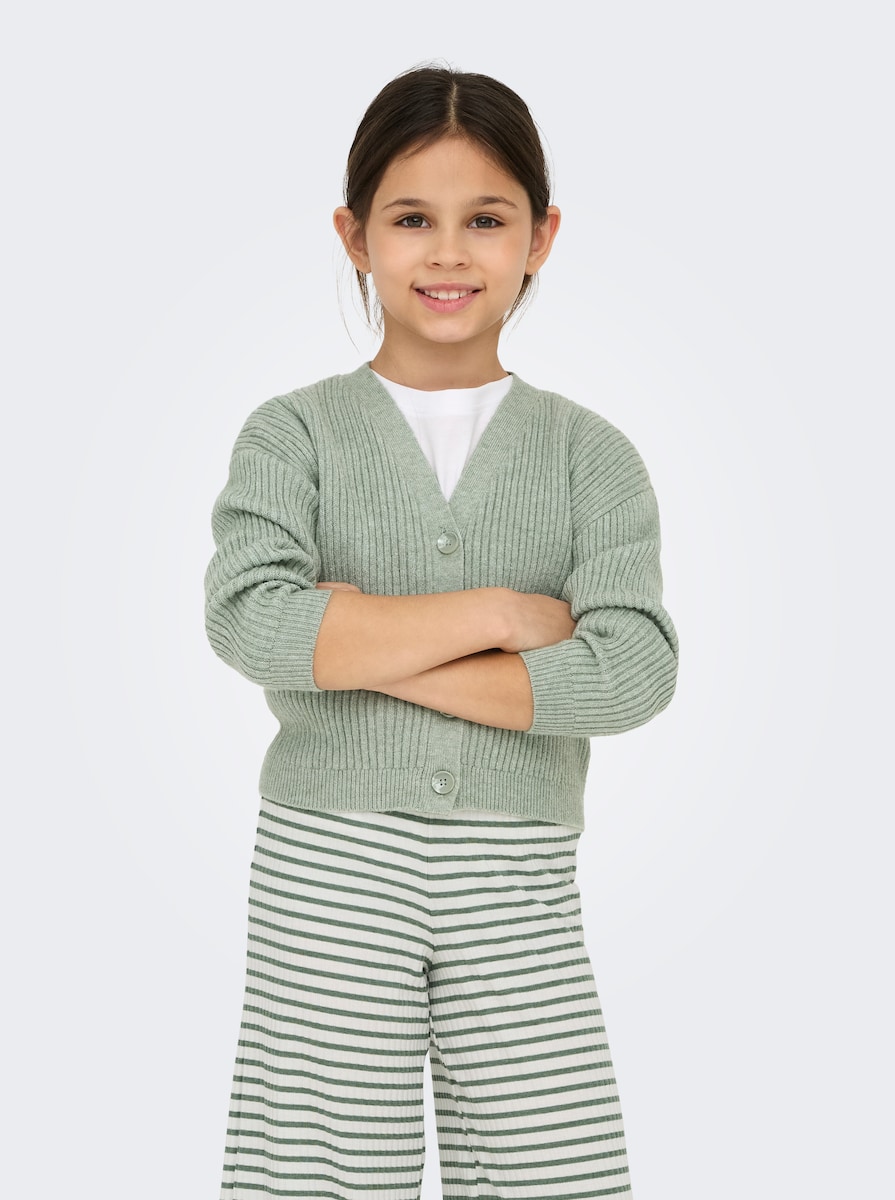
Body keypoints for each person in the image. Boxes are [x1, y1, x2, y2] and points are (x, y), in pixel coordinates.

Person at [204, 63, 678, 1200]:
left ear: (541, 237)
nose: (449, 254)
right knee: (316, 1172)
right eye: (412, 219)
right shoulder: (293, 436)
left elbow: (633, 671)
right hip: (329, 859)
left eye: (487, 220)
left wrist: (354, 648)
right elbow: (252, 621)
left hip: (518, 867)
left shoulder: (591, 456)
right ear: (355, 236)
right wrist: (502, 620)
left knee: (553, 1168)